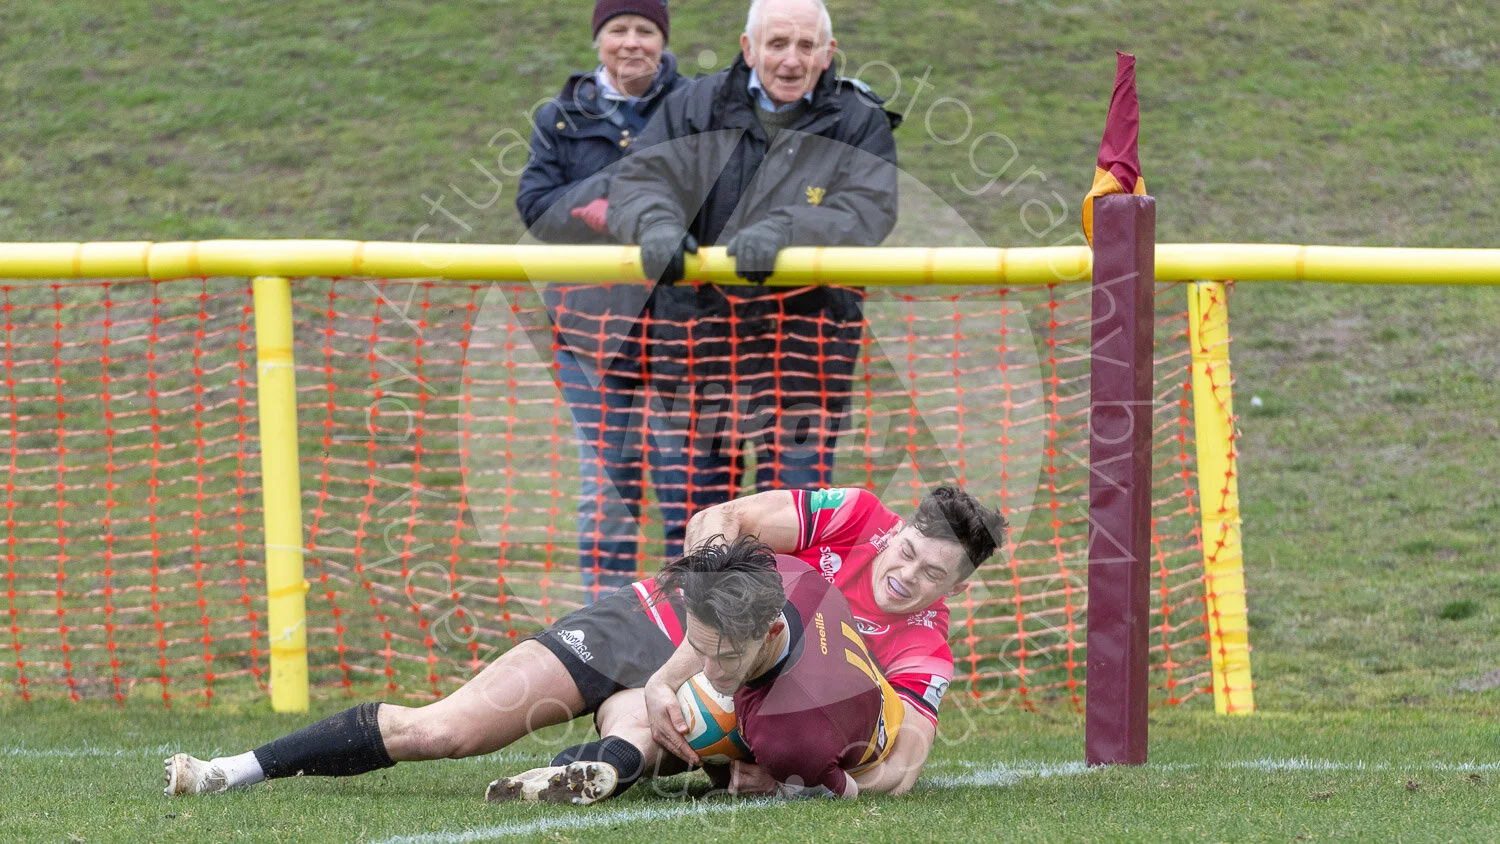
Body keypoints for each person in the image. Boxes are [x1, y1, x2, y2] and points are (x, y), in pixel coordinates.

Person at [160, 486, 1004, 798]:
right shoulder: (855, 514)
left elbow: (906, 759)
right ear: (896, 529)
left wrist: (832, 786)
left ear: (957, 586)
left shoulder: (924, 647)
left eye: (932, 573)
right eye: (905, 552)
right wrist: (716, 586)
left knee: (651, 724)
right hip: (648, 619)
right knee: (445, 729)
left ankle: (592, 770)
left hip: (725, 689)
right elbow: (722, 517)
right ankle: (234, 770)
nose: (905, 575)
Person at [606, 0, 902, 555]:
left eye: (806, 46)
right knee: (694, 519)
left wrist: (788, 229)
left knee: (790, 525)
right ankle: (694, 614)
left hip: (807, 347)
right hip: (696, 338)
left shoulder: (858, 117)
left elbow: (870, 209)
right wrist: (654, 224)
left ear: (828, 54)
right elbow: (640, 181)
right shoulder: (692, 104)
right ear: (748, 48)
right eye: (777, 44)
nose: (791, 60)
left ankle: (784, 615)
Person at [487, 536, 902, 803]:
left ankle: (606, 758)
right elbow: (711, 640)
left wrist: (786, 785)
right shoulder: (790, 574)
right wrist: (662, 680)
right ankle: (590, 762)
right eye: (703, 648)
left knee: (693, 719)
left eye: (726, 657)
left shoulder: (788, 737)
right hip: (838, 679)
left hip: (848, 727)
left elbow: (862, 785)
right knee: (674, 698)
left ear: (772, 630)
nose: (709, 670)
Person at [515, 0, 686, 600]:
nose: (632, 42)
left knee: (687, 494)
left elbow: (708, 193)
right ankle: (606, 629)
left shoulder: (696, 106)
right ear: (598, 40)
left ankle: (689, 627)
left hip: (680, 335)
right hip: (589, 336)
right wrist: (609, 196)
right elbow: (537, 207)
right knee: (610, 492)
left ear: (663, 40)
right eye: (619, 30)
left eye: (645, 30)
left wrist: (611, 203)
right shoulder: (559, 117)